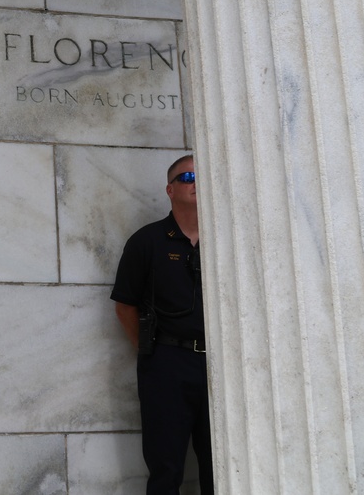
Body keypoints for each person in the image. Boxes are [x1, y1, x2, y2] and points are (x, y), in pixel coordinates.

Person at [111, 155, 214, 495]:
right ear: (170, 189)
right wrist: (149, 352)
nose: (196, 181)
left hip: (221, 366)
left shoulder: (230, 241)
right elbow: (125, 305)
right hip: (168, 364)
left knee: (223, 465)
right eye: (188, 176)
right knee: (165, 467)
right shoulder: (147, 241)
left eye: (204, 175)